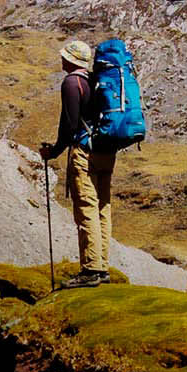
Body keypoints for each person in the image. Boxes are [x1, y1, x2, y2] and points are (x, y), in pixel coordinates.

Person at [38, 39, 114, 288]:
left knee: (86, 207)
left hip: (84, 152)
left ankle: (91, 269)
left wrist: (55, 151)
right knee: (103, 206)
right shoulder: (95, 80)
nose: (61, 59)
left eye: (64, 56)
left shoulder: (72, 82)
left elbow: (70, 124)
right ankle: (102, 266)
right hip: (106, 151)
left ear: (71, 60)